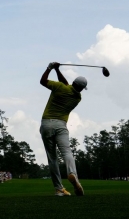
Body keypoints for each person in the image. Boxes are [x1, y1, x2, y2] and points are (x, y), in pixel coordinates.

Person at [39, 62, 85, 196]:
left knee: (52, 157)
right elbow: (67, 86)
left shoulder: (59, 87)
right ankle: (72, 173)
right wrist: (58, 70)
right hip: (61, 125)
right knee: (67, 152)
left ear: (73, 83)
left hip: (47, 123)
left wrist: (49, 68)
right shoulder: (78, 97)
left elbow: (42, 81)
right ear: (81, 88)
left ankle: (59, 189)